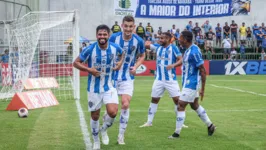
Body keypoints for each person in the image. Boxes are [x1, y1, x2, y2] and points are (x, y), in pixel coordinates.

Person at [73, 24, 124, 150]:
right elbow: (75, 63)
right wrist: (89, 70)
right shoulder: (90, 49)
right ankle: (96, 141)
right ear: (96, 36)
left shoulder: (114, 47)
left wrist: (119, 64)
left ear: (108, 36)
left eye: (104, 34)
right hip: (93, 88)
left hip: (109, 86)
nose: (102, 37)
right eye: (100, 34)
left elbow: (123, 54)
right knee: (95, 116)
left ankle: (103, 130)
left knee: (113, 112)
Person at [168, 31, 216, 139]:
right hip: (187, 82)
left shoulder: (194, 52)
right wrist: (173, 65)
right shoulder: (188, 50)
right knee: (194, 105)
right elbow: (184, 63)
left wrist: (203, 89)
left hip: (192, 83)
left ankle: (176, 133)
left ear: (185, 39)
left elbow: (203, 70)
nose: (179, 39)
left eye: (180, 37)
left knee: (181, 105)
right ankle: (210, 125)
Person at [109, 15, 145, 145]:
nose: (128, 29)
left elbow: (142, 55)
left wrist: (136, 66)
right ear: (122, 26)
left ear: (134, 27)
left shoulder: (138, 41)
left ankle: (121, 136)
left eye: (131, 26)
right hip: (112, 77)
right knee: (111, 112)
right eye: (126, 26)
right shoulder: (114, 37)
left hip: (128, 77)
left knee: (125, 104)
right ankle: (105, 124)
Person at [139, 32, 188, 128]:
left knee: (177, 101)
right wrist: (146, 42)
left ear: (168, 39)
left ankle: (180, 122)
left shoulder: (173, 48)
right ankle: (149, 122)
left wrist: (173, 65)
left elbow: (181, 59)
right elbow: (147, 45)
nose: (160, 40)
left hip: (171, 80)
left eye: (162, 38)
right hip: (159, 80)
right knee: (154, 99)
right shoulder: (158, 47)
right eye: (160, 38)